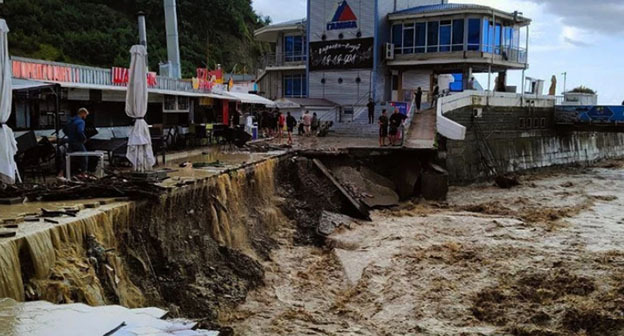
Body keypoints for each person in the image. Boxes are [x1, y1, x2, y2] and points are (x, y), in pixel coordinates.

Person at [64, 107, 89, 176]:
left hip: (70, 141)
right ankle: (84, 173)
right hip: (77, 141)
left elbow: (64, 129)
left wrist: (69, 135)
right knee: (84, 155)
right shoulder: (81, 121)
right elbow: (80, 131)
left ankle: (60, 173)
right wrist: (84, 138)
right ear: (83, 113)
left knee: (67, 157)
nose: (85, 117)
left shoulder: (71, 120)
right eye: (85, 115)